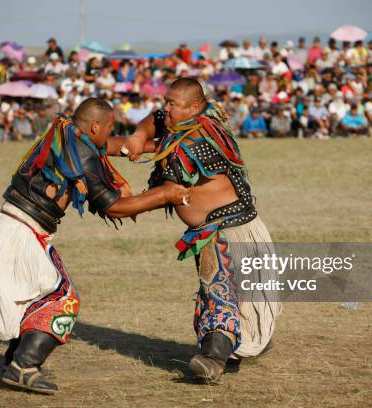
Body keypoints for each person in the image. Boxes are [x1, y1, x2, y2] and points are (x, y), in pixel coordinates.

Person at [0, 98, 190, 395]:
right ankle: (23, 366)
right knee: (63, 300)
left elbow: (111, 145)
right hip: (21, 233)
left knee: (40, 295)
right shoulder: (82, 151)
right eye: (109, 126)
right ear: (96, 125)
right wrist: (164, 194)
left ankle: (14, 362)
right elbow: (113, 207)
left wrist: (152, 145)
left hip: (15, 226)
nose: (111, 133)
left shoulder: (67, 132)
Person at [119, 78, 282, 384]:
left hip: (227, 232)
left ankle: (212, 359)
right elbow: (155, 121)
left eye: (173, 104)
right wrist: (139, 135)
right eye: (166, 101)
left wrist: (120, 205)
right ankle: (243, 344)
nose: (165, 108)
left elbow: (168, 192)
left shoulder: (194, 141)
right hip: (224, 228)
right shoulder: (195, 122)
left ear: (194, 107)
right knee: (234, 298)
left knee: (218, 292)